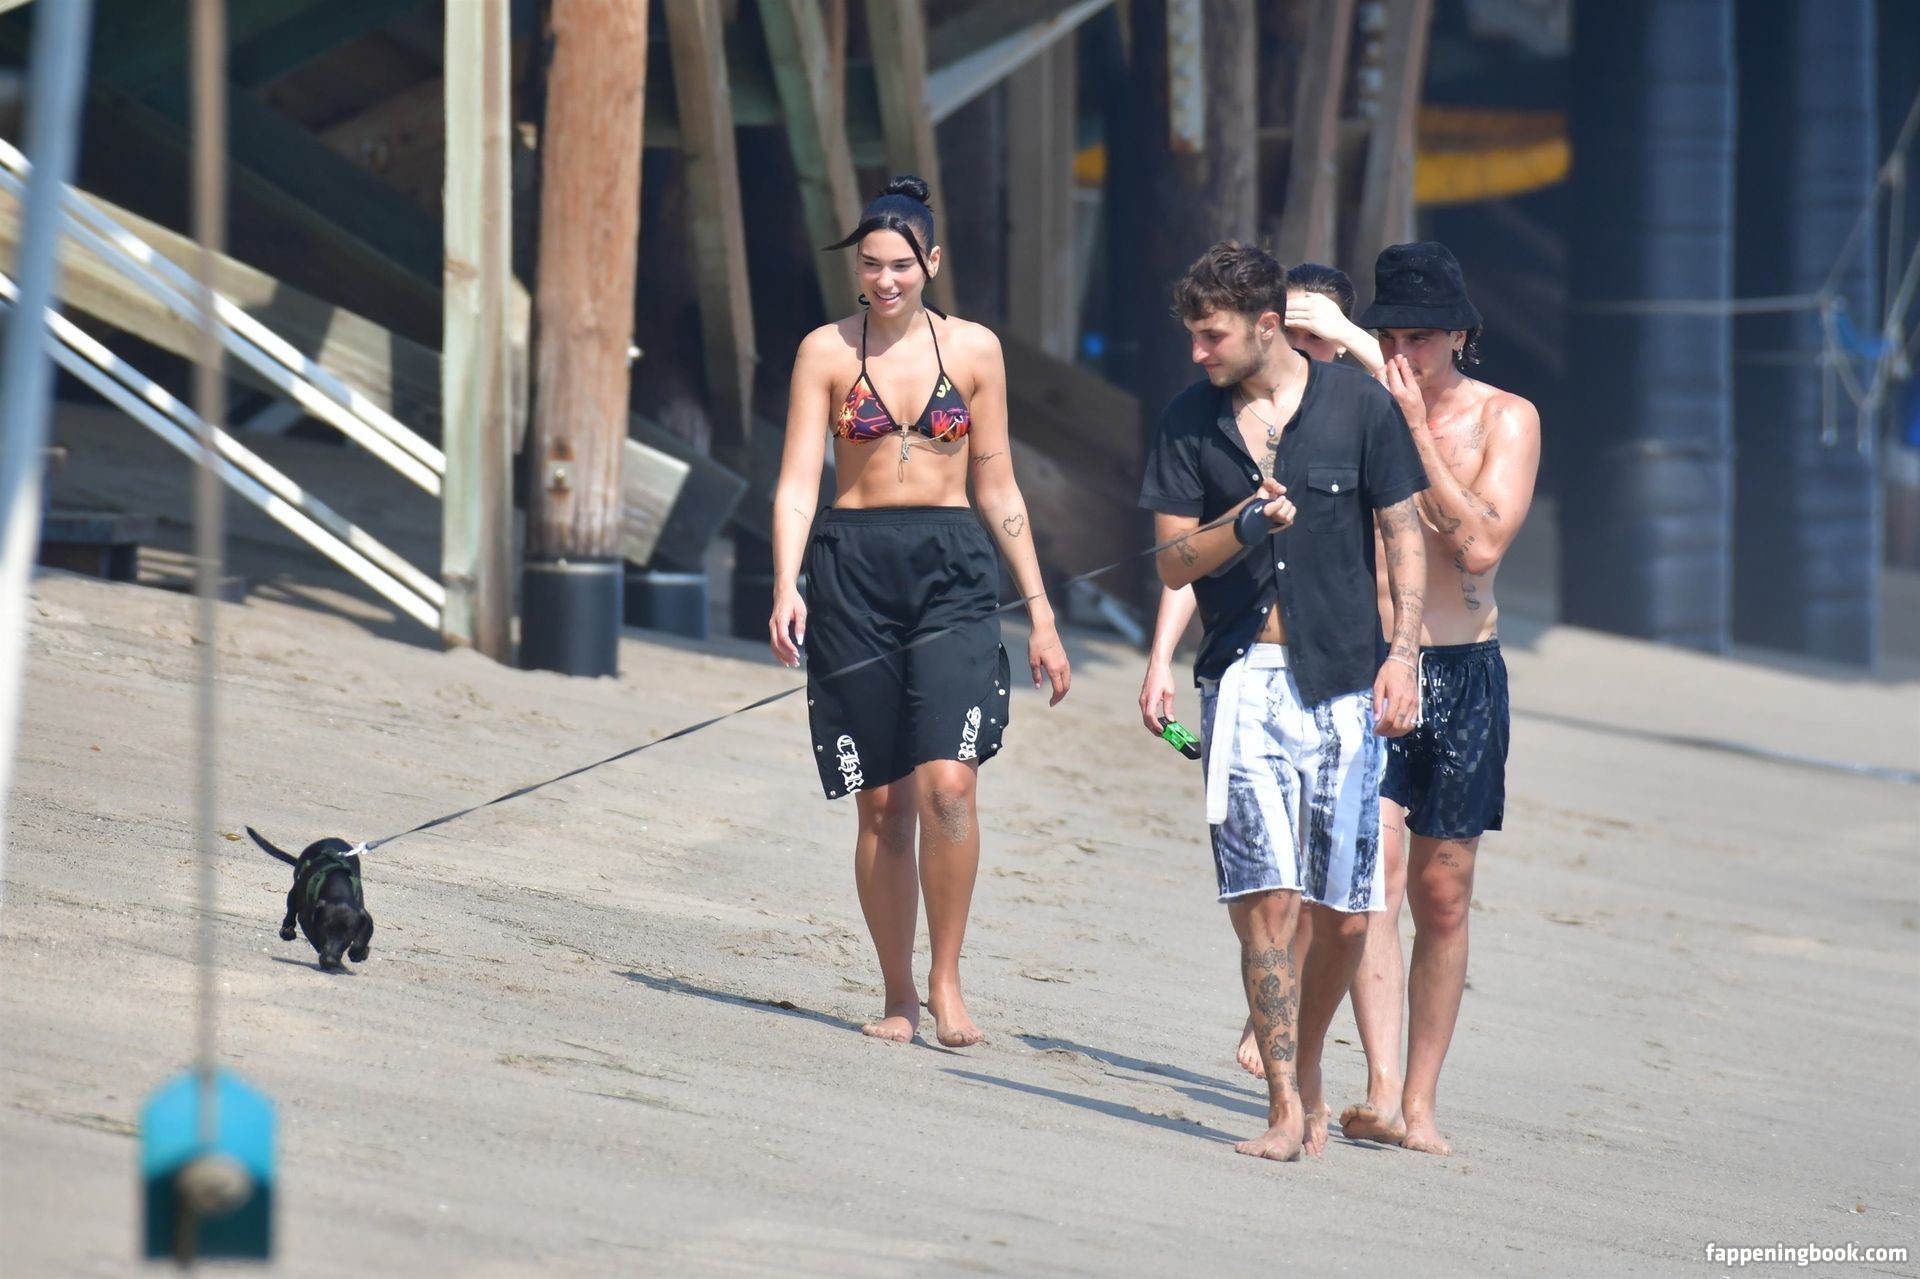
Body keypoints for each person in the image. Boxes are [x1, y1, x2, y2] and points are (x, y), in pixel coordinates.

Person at [1137, 242, 1428, 1161]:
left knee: (1345, 914)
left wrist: (1406, 655)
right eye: (1193, 336)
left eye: (1212, 336)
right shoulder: (1189, 420)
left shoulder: (1358, 406)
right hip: (1239, 679)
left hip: (1345, 680)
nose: (1198, 353)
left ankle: (1305, 1065)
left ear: (1267, 326)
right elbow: (1172, 561)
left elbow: (1403, 532)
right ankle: (1282, 1105)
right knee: (1265, 899)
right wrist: (1241, 524)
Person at [768, 176, 1072, 1048]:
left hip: (952, 568)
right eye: (871, 265)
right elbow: (798, 482)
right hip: (853, 568)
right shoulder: (826, 351)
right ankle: (898, 991)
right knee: (882, 803)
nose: (886, 280)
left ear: (931, 262)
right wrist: (786, 582)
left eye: (902, 265)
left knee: (948, 783)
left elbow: (998, 483)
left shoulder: (974, 351)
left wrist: (1041, 612)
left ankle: (946, 978)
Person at [1335, 241, 1541, 1156]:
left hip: (1463, 675)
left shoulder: (1507, 418)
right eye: (1389, 337)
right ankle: (1380, 1086)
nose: (1402, 353)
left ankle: (1421, 1101)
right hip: (1376, 666)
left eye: (1420, 337)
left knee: (1444, 894)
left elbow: (1479, 545)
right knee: (1373, 875)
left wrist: (1416, 429)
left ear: (1459, 334)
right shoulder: (1354, 410)